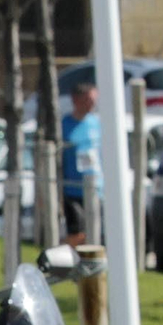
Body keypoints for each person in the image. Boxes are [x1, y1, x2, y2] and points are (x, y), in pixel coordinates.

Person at [61, 82, 102, 246]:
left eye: (94, 99)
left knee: (96, 231)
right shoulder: (65, 124)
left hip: (96, 187)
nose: (93, 103)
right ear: (76, 100)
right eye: (89, 99)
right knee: (77, 232)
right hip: (73, 188)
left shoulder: (96, 123)